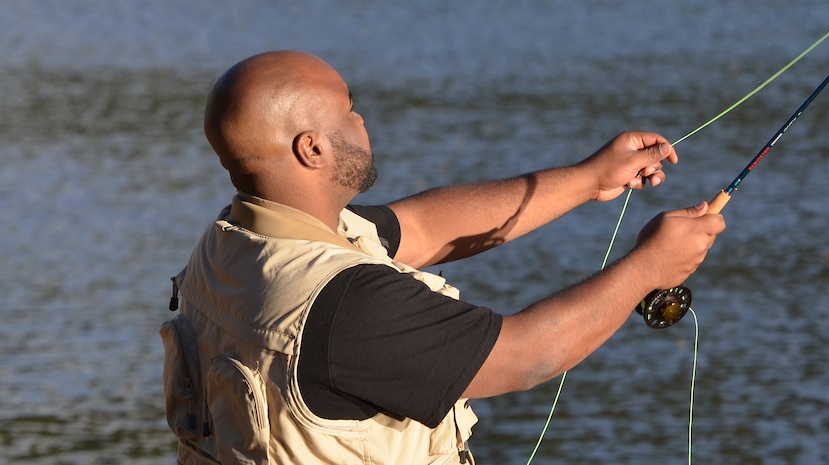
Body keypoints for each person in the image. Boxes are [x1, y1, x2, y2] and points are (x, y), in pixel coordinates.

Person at [159, 50, 724, 464]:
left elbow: (425, 226)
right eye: (349, 110)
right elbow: (528, 353)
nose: (362, 120)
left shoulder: (234, 240)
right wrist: (650, 267)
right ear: (313, 148)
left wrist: (588, 178)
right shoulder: (346, 305)